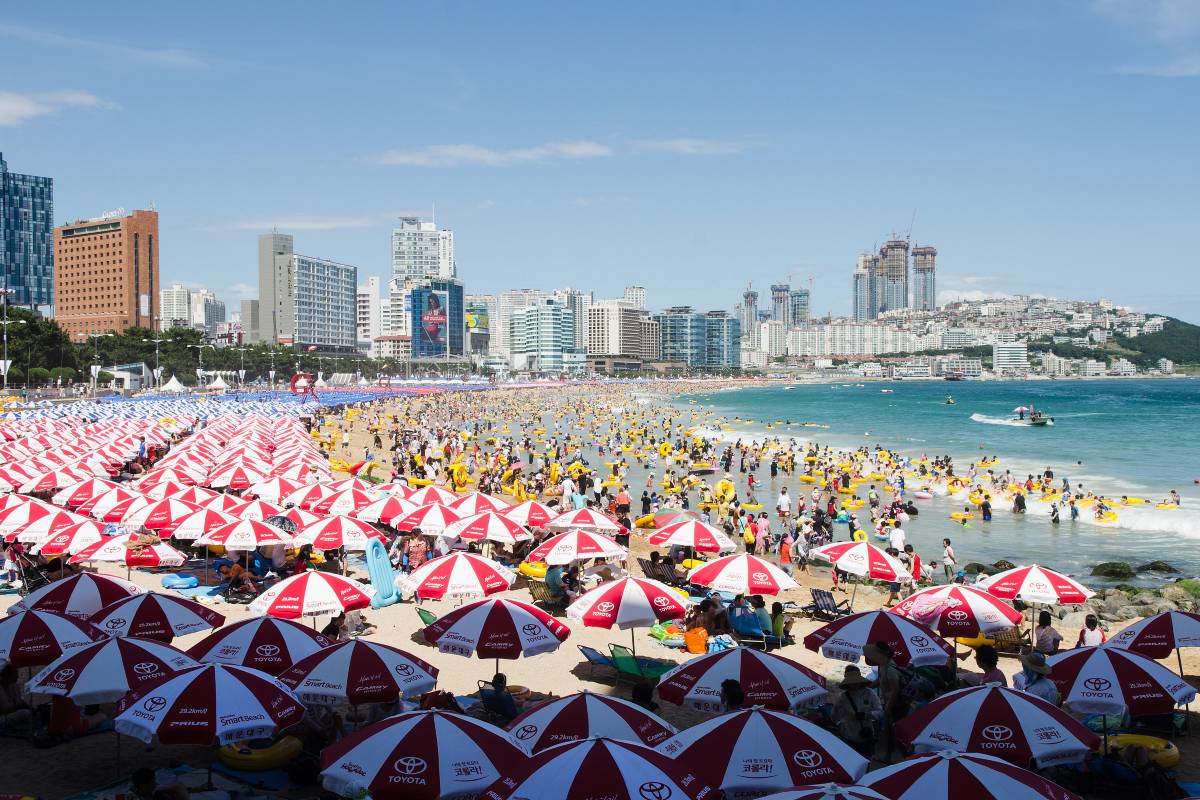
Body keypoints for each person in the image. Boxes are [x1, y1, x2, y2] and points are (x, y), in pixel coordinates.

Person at [864, 641, 903, 758]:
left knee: (892, 730)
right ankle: (888, 754)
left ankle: (895, 755)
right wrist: (867, 685)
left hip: (895, 704)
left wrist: (888, 707)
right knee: (887, 730)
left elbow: (895, 690)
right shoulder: (883, 665)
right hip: (888, 702)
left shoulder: (890, 669)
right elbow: (880, 680)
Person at [833, 665, 882, 757]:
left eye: (855, 682)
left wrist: (868, 715)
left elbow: (880, 712)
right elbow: (835, 716)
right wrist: (841, 724)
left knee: (867, 758)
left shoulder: (870, 693)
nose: (854, 685)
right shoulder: (842, 697)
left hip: (866, 735)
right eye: (851, 682)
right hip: (848, 736)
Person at [0, 664, 32, 731]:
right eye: (15, 674)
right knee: (25, 713)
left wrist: (27, 706)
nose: (17, 676)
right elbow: (6, 708)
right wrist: (18, 704)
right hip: (2, 718)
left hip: (11, 713)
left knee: (30, 712)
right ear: (8, 676)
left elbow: (19, 702)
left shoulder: (14, 686)